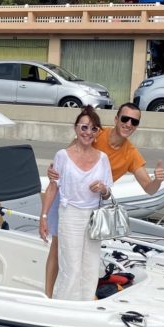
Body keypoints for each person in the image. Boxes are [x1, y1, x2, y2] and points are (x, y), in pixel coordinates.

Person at [43, 102, 164, 297]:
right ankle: (49, 296)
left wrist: (157, 181)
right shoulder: (97, 131)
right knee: (59, 247)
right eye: (125, 119)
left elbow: (148, 188)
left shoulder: (131, 154)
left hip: (92, 207)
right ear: (116, 119)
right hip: (67, 199)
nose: (128, 124)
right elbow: (67, 156)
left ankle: (82, 298)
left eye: (134, 122)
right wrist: (53, 171)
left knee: (88, 259)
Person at [39, 107, 113, 301]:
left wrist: (103, 189)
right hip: (69, 214)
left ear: (97, 133)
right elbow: (53, 187)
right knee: (70, 266)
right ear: (76, 128)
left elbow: (108, 194)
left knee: (90, 266)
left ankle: (85, 305)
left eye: (93, 129)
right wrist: (44, 216)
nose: (88, 132)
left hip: (93, 217)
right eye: (84, 127)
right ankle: (63, 305)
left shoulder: (103, 159)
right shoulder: (62, 156)